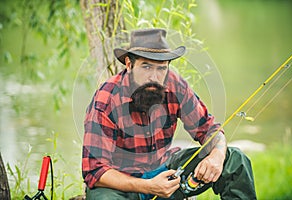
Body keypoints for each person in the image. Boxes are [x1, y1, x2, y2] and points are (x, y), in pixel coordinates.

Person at [82, 28, 257, 200]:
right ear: (129, 65)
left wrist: (217, 157)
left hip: (166, 173)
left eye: (161, 68)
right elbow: (95, 170)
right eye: (146, 67)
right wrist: (148, 186)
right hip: (122, 186)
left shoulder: (175, 86)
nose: (154, 77)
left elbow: (210, 129)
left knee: (235, 160)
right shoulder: (106, 99)